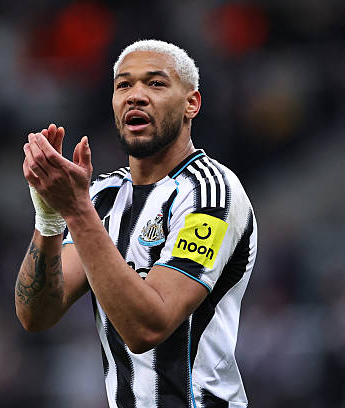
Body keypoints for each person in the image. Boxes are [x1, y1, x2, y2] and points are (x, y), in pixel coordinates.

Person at [15, 39, 257, 407]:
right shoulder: (103, 196)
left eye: (156, 83)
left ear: (191, 103)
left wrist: (76, 211)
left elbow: (148, 329)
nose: (135, 96)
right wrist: (49, 220)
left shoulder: (211, 192)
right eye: (124, 85)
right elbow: (36, 315)